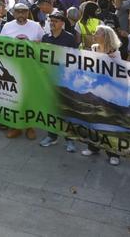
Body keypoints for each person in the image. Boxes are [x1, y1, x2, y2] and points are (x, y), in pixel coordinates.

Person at [38, 10, 78, 152]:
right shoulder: (45, 38)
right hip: (50, 80)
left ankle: (70, 140)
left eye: (55, 21)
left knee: (66, 112)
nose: (52, 23)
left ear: (62, 23)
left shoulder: (69, 38)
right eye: (51, 20)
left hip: (65, 81)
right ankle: (52, 136)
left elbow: (75, 59)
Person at [2, 3, 43, 140]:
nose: (21, 14)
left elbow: (43, 45)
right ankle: (16, 126)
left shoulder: (36, 26)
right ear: (13, 13)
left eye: (24, 12)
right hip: (12, 69)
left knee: (29, 98)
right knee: (14, 98)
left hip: (30, 68)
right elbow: (0, 44)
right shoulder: (7, 26)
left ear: (28, 13)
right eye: (18, 12)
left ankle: (30, 126)